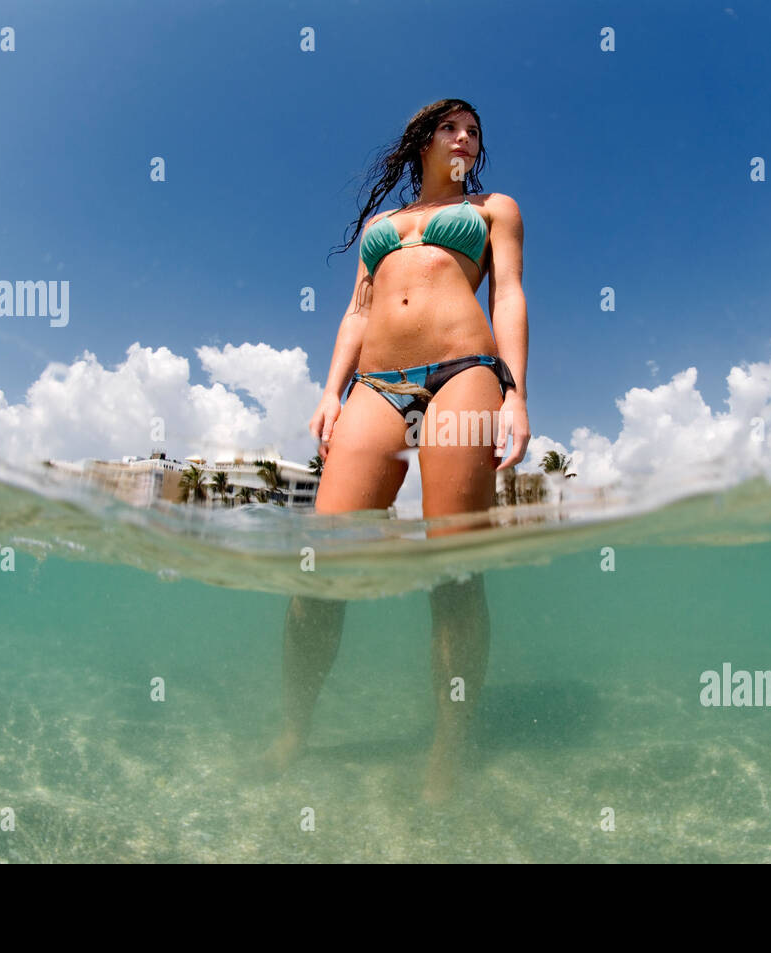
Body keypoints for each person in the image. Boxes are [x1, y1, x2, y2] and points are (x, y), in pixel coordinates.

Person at [264, 99, 528, 803]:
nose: (466, 137)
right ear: (423, 141)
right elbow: (358, 308)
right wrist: (330, 388)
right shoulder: (380, 228)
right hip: (373, 385)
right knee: (322, 565)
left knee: (453, 564)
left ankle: (448, 749)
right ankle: (296, 727)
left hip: (462, 372)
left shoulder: (495, 207)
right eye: (453, 126)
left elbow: (508, 296)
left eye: (474, 130)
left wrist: (517, 392)